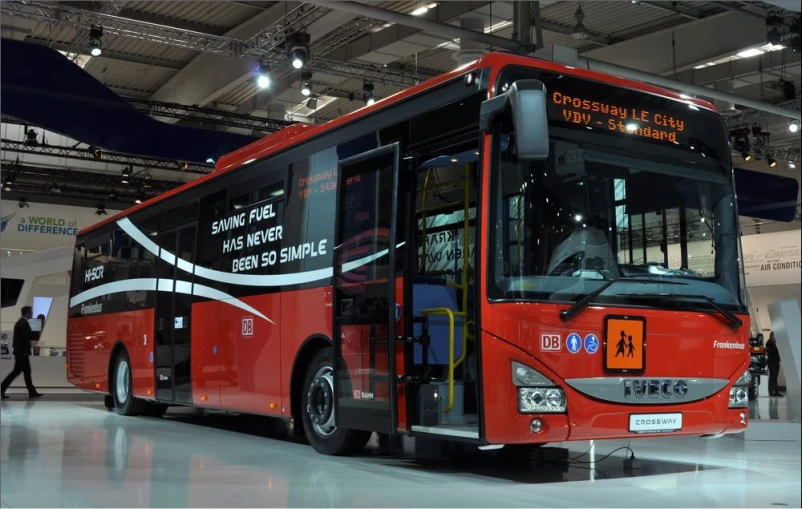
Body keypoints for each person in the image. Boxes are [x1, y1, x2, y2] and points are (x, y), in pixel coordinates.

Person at [1, 306, 43, 400]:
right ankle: (1, 388)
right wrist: (25, 352)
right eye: (31, 312)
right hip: (22, 353)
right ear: (27, 313)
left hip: (21, 353)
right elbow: (23, 340)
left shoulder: (21, 323)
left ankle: (32, 392)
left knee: (25, 372)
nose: (32, 314)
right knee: (18, 372)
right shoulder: (22, 323)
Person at [766, 331, 783, 397]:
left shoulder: (774, 343)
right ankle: (771, 392)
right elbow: (769, 352)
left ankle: (776, 391)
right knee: (772, 377)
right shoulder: (769, 343)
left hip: (776, 361)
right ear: (772, 336)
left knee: (775, 377)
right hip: (772, 362)